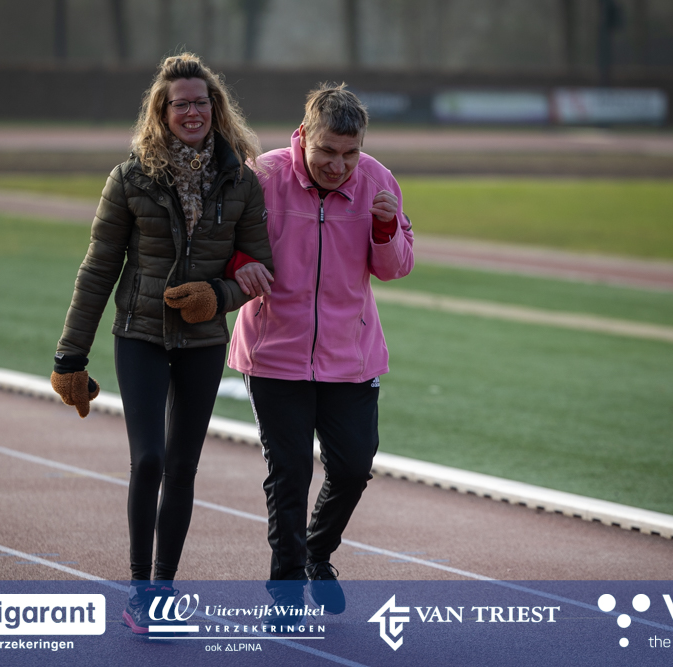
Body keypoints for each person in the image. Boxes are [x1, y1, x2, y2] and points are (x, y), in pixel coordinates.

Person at [51, 53, 274, 634]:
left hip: (203, 342)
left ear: (215, 107)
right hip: (141, 334)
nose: (192, 112)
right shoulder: (130, 178)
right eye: (181, 104)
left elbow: (260, 269)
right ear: (162, 110)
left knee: (182, 467)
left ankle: (163, 587)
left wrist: (218, 295)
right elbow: (98, 269)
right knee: (148, 458)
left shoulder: (241, 182)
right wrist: (71, 355)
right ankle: (138, 587)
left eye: (201, 102)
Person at [229, 84, 414, 613]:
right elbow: (224, 245)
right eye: (327, 151)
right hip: (274, 354)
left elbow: (397, 267)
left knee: (353, 468)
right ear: (303, 135)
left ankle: (317, 552)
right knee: (290, 475)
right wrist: (240, 263)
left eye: (350, 154)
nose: (338, 165)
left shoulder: (378, 180)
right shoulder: (263, 177)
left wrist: (385, 228)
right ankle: (285, 590)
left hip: (350, 357)